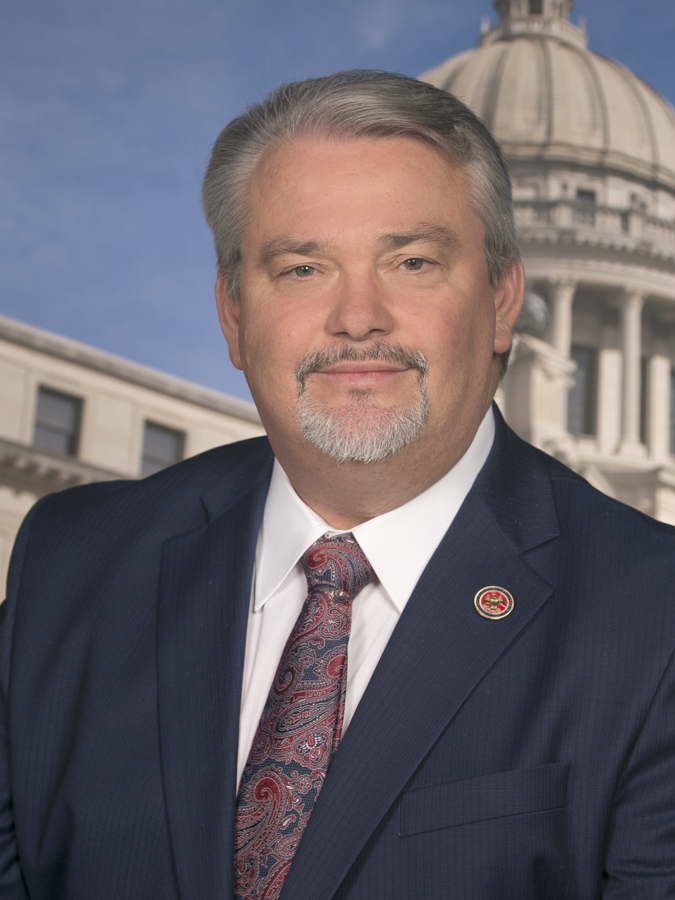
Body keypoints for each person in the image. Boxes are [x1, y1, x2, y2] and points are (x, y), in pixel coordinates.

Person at [2, 70, 675, 900]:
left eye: (412, 261)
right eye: (302, 268)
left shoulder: (651, 613)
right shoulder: (71, 562)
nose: (357, 317)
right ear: (232, 314)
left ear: (503, 300)